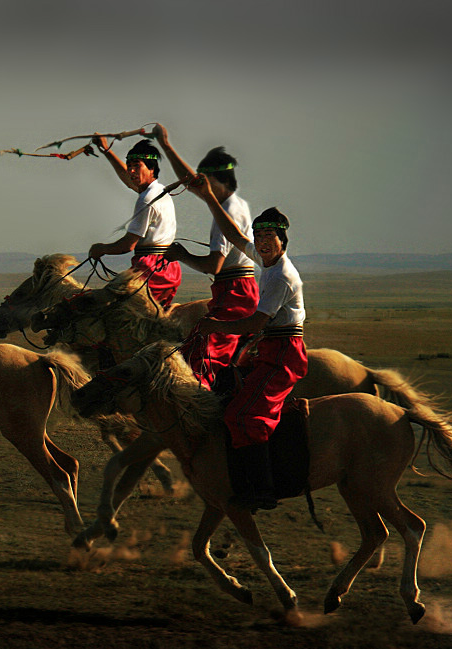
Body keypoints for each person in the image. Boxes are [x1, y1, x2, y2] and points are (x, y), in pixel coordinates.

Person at [188, 177, 307, 513]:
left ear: (282, 241)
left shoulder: (282, 275)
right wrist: (209, 197)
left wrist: (215, 326)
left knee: (245, 414)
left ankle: (263, 491)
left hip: (284, 355)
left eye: (270, 237)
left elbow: (256, 323)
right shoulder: (265, 261)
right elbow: (234, 236)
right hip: (268, 349)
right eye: (260, 236)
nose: (262, 242)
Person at [153, 123, 258, 388]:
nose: (201, 187)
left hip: (236, 292)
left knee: (200, 359)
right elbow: (192, 184)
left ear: (218, 181)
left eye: (206, 182)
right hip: (233, 290)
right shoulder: (232, 203)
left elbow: (214, 264)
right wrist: (166, 146)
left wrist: (181, 254)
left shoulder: (228, 213)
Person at [87, 137, 183, 307]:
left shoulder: (146, 199)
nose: (131, 171)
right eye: (129, 166)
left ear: (151, 168)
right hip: (169, 268)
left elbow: (127, 245)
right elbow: (128, 179)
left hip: (151, 269)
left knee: (102, 308)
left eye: (136, 166)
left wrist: (101, 249)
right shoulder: (159, 191)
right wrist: (106, 150)